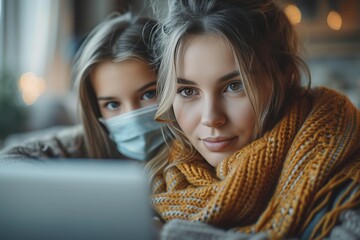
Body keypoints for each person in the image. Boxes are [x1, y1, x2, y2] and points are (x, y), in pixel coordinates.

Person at [148, 0, 360, 239]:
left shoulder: (346, 182)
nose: (211, 118)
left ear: (286, 77)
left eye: (235, 86)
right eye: (187, 91)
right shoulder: (158, 180)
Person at [0, 12, 167, 165]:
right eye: (113, 105)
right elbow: (10, 161)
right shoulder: (88, 140)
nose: (132, 117)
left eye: (149, 94)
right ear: (95, 109)